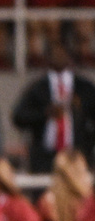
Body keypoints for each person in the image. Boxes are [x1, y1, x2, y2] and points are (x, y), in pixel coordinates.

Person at [12, 42, 95, 174]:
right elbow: (19, 117)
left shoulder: (84, 88)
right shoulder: (38, 87)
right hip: (45, 158)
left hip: (77, 156)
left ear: (70, 56)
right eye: (55, 54)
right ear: (47, 57)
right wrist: (44, 114)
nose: (59, 57)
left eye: (62, 53)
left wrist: (88, 140)